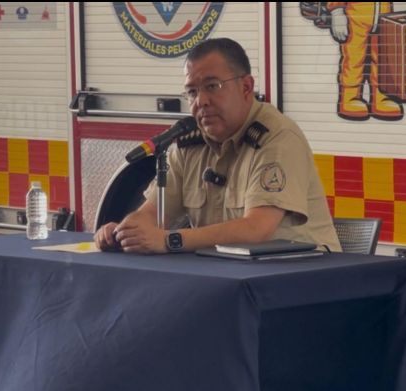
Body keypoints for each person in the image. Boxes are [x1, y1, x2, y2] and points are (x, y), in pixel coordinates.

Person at [95, 37, 340, 254]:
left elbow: (256, 229)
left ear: (246, 87)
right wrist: (125, 232)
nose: (201, 101)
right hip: (227, 277)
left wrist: (172, 240)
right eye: (191, 92)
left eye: (212, 86)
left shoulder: (277, 137)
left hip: (302, 282)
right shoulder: (188, 142)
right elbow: (153, 214)